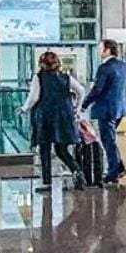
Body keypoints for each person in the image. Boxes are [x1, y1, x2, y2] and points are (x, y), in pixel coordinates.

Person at [20, 51, 87, 193]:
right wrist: (77, 108)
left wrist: (24, 108)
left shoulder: (38, 78)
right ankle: (77, 171)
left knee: (45, 150)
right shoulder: (66, 77)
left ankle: (47, 182)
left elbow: (34, 97)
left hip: (46, 117)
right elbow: (81, 90)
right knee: (61, 149)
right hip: (65, 116)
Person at [81, 39, 126, 186]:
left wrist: (84, 104)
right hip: (119, 109)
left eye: (100, 48)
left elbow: (98, 89)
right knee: (110, 139)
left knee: (108, 140)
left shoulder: (104, 68)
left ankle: (113, 173)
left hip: (106, 109)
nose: (98, 51)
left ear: (107, 50)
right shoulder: (124, 66)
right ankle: (119, 167)